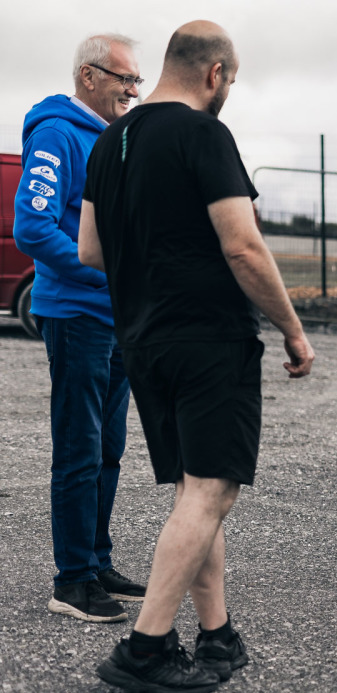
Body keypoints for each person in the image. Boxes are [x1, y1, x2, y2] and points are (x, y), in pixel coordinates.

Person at [78, 20, 315, 693]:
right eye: (231, 81)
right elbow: (243, 246)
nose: (228, 91)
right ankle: (145, 649)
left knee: (194, 490)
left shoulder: (109, 139)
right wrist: (294, 331)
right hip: (208, 339)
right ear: (214, 74)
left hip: (143, 340)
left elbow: (90, 250)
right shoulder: (205, 134)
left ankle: (218, 636)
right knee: (212, 491)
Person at [13, 34, 147, 624]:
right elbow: (33, 228)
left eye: (137, 80)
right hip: (77, 315)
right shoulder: (56, 134)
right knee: (79, 449)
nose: (134, 90)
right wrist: (105, 276)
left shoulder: (116, 138)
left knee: (109, 448)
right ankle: (72, 582)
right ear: (89, 76)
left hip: (118, 320)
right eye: (124, 78)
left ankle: (96, 561)